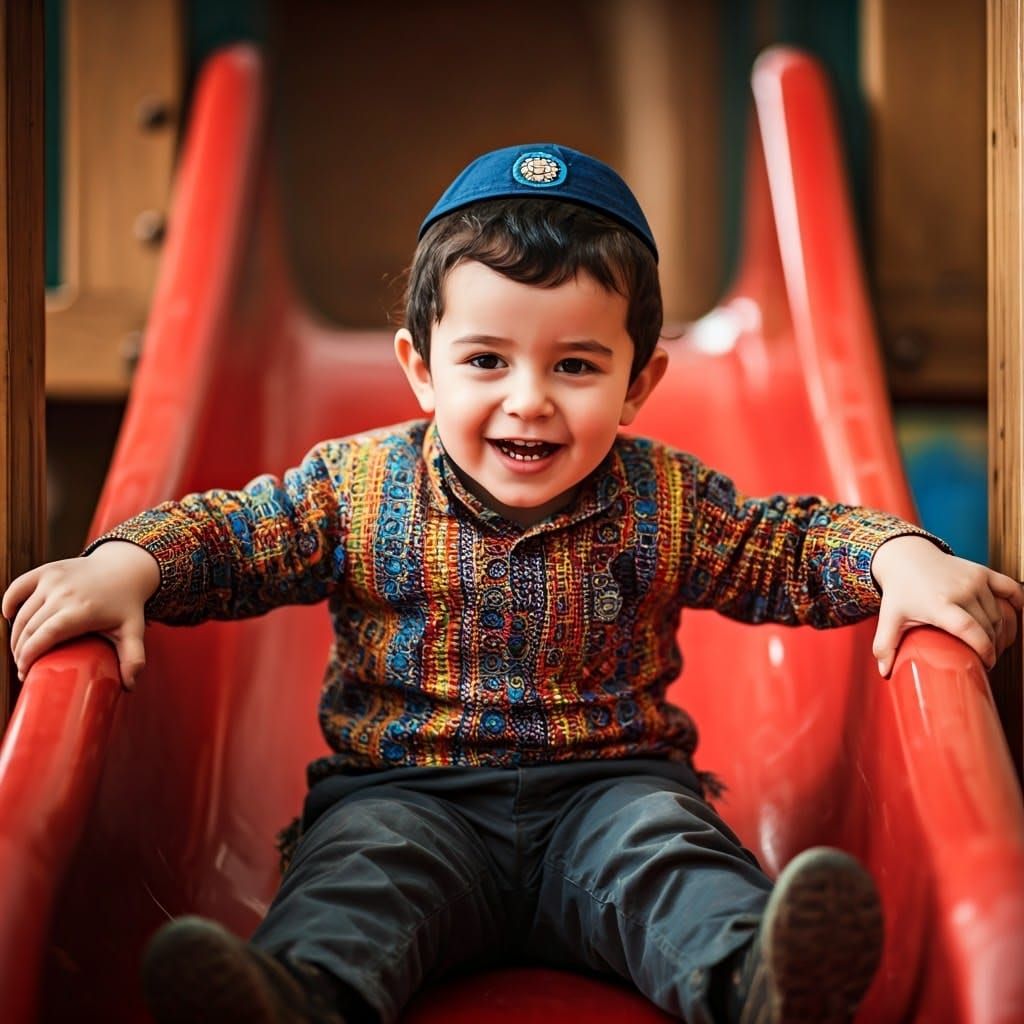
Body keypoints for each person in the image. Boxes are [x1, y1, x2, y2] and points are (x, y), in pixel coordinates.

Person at [4, 143, 1022, 1024]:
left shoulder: (662, 497)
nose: (526, 401)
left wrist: (898, 558)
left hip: (610, 791)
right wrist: (125, 565)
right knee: (359, 886)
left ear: (638, 383)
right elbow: (232, 537)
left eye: (575, 365)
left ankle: (759, 982)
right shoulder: (355, 489)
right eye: (485, 360)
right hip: (405, 796)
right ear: (419, 366)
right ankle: (292, 997)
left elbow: (784, 547)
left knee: (672, 865)